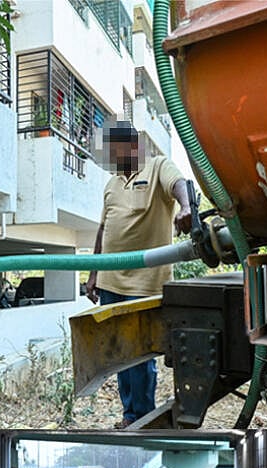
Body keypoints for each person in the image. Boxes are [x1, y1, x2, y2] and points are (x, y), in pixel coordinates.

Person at [85, 121, 192, 428]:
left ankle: (143, 416)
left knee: (140, 354)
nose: (110, 156)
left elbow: (179, 184)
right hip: (110, 280)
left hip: (146, 282)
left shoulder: (158, 166)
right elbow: (103, 230)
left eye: (113, 149)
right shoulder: (111, 184)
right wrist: (94, 273)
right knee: (119, 352)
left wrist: (186, 208)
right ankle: (130, 414)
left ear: (131, 145)